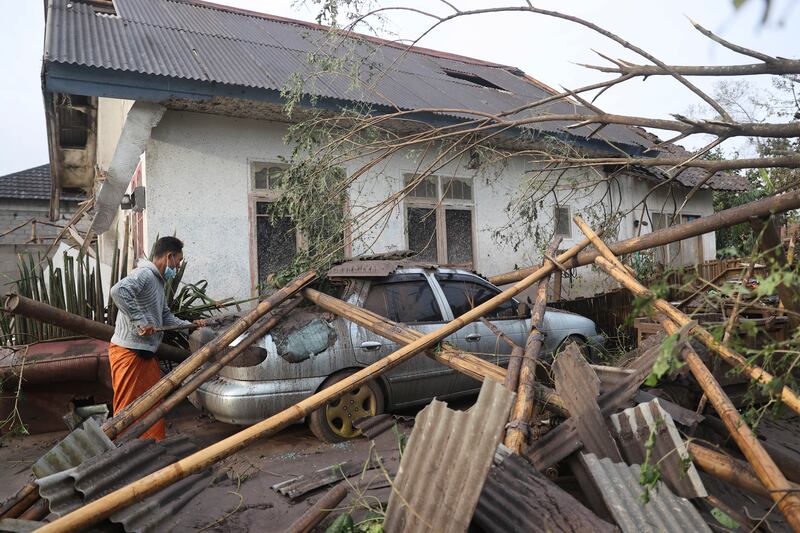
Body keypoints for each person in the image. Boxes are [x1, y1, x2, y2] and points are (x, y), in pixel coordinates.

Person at [108, 236, 204, 440]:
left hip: (146, 353)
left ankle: (151, 447)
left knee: (152, 404)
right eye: (177, 262)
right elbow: (118, 291)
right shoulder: (144, 274)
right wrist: (140, 321)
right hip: (128, 352)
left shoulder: (158, 282)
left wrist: (190, 326)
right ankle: (121, 453)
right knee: (126, 408)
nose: (177, 267)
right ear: (169, 256)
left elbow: (165, 316)